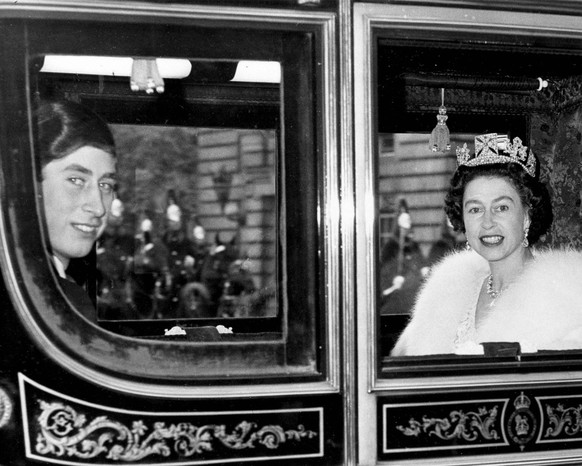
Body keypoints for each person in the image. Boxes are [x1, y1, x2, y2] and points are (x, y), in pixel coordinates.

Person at [391, 133, 582, 356]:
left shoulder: (568, 297)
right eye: (475, 209)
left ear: (527, 216)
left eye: (501, 208)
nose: (487, 222)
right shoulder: (444, 294)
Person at [38, 100, 117, 323]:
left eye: (106, 185)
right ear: (29, 187)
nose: (99, 207)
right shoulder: (62, 300)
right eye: (76, 180)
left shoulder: (65, 291)